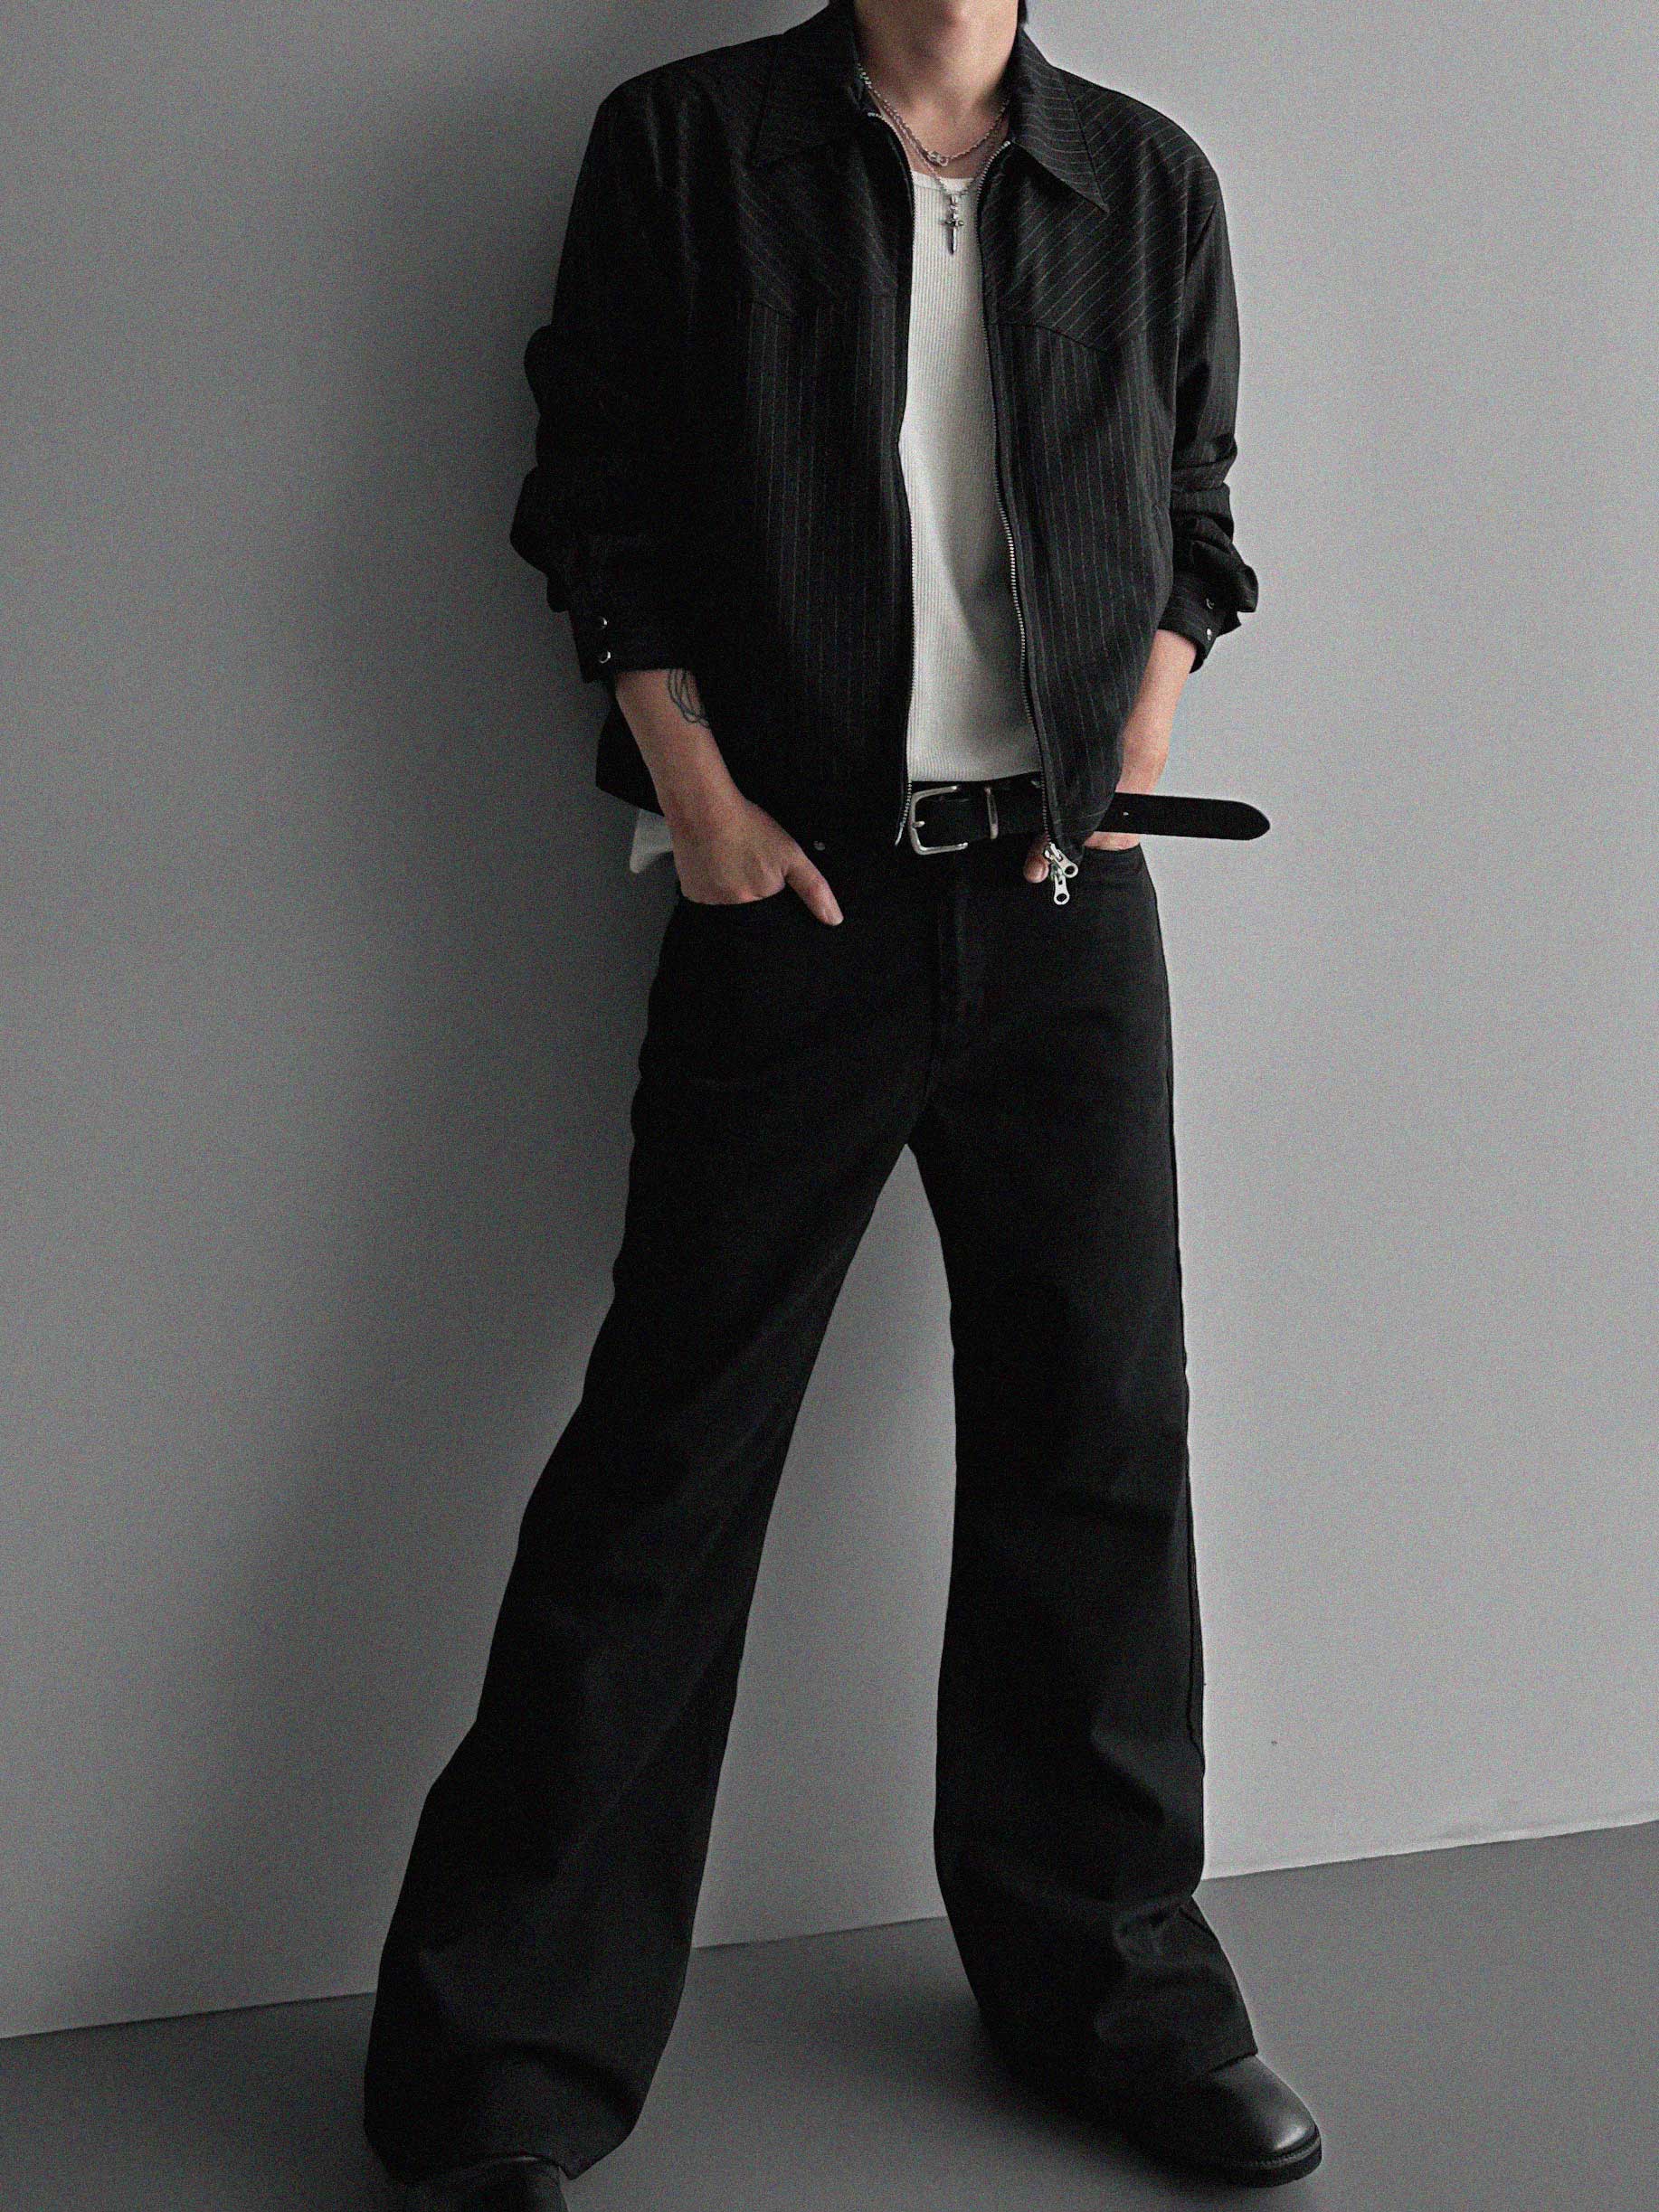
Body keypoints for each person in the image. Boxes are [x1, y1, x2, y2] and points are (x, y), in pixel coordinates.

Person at [363, 4, 1320, 2203]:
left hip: (1066, 901)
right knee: (669, 1453)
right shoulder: (684, 147)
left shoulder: (1142, 179)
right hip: (789, 898)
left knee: (1097, 1433)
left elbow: (1190, 501)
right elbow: (593, 491)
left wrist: (1135, 723)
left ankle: (1112, 1984)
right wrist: (695, 795)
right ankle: (502, 2066)